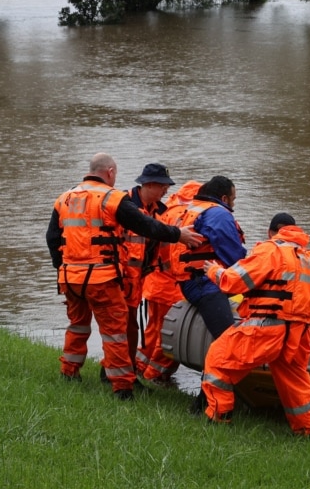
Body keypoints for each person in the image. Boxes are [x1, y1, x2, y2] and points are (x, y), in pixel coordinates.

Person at [46, 153, 202, 400]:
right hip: (102, 278)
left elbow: (53, 239)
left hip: (70, 278)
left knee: (77, 325)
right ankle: (122, 388)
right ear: (110, 172)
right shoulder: (112, 198)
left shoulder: (64, 198)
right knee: (116, 332)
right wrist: (178, 234)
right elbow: (144, 225)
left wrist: (62, 269)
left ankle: (69, 372)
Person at [199, 213, 310, 436]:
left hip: (266, 328)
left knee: (218, 361)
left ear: (271, 232)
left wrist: (212, 270)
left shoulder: (270, 250)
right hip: (297, 335)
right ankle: (307, 432)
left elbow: (234, 281)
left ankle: (219, 419)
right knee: (295, 382)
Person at [135, 179, 203, 387]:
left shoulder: (165, 210)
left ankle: (137, 368)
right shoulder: (191, 217)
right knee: (171, 336)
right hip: (172, 286)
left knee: (153, 330)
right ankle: (154, 375)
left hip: (154, 283)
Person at [165, 175, 246, 339]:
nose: (233, 204)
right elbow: (234, 256)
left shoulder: (195, 208)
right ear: (224, 198)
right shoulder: (218, 214)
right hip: (205, 284)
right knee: (228, 340)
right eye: (233, 199)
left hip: (189, 281)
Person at [118, 163, 175, 384]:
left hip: (139, 282)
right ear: (149, 185)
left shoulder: (160, 212)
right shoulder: (123, 206)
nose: (166, 191)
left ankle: (128, 371)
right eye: (163, 186)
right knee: (120, 328)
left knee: (130, 329)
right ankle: (119, 373)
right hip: (119, 279)